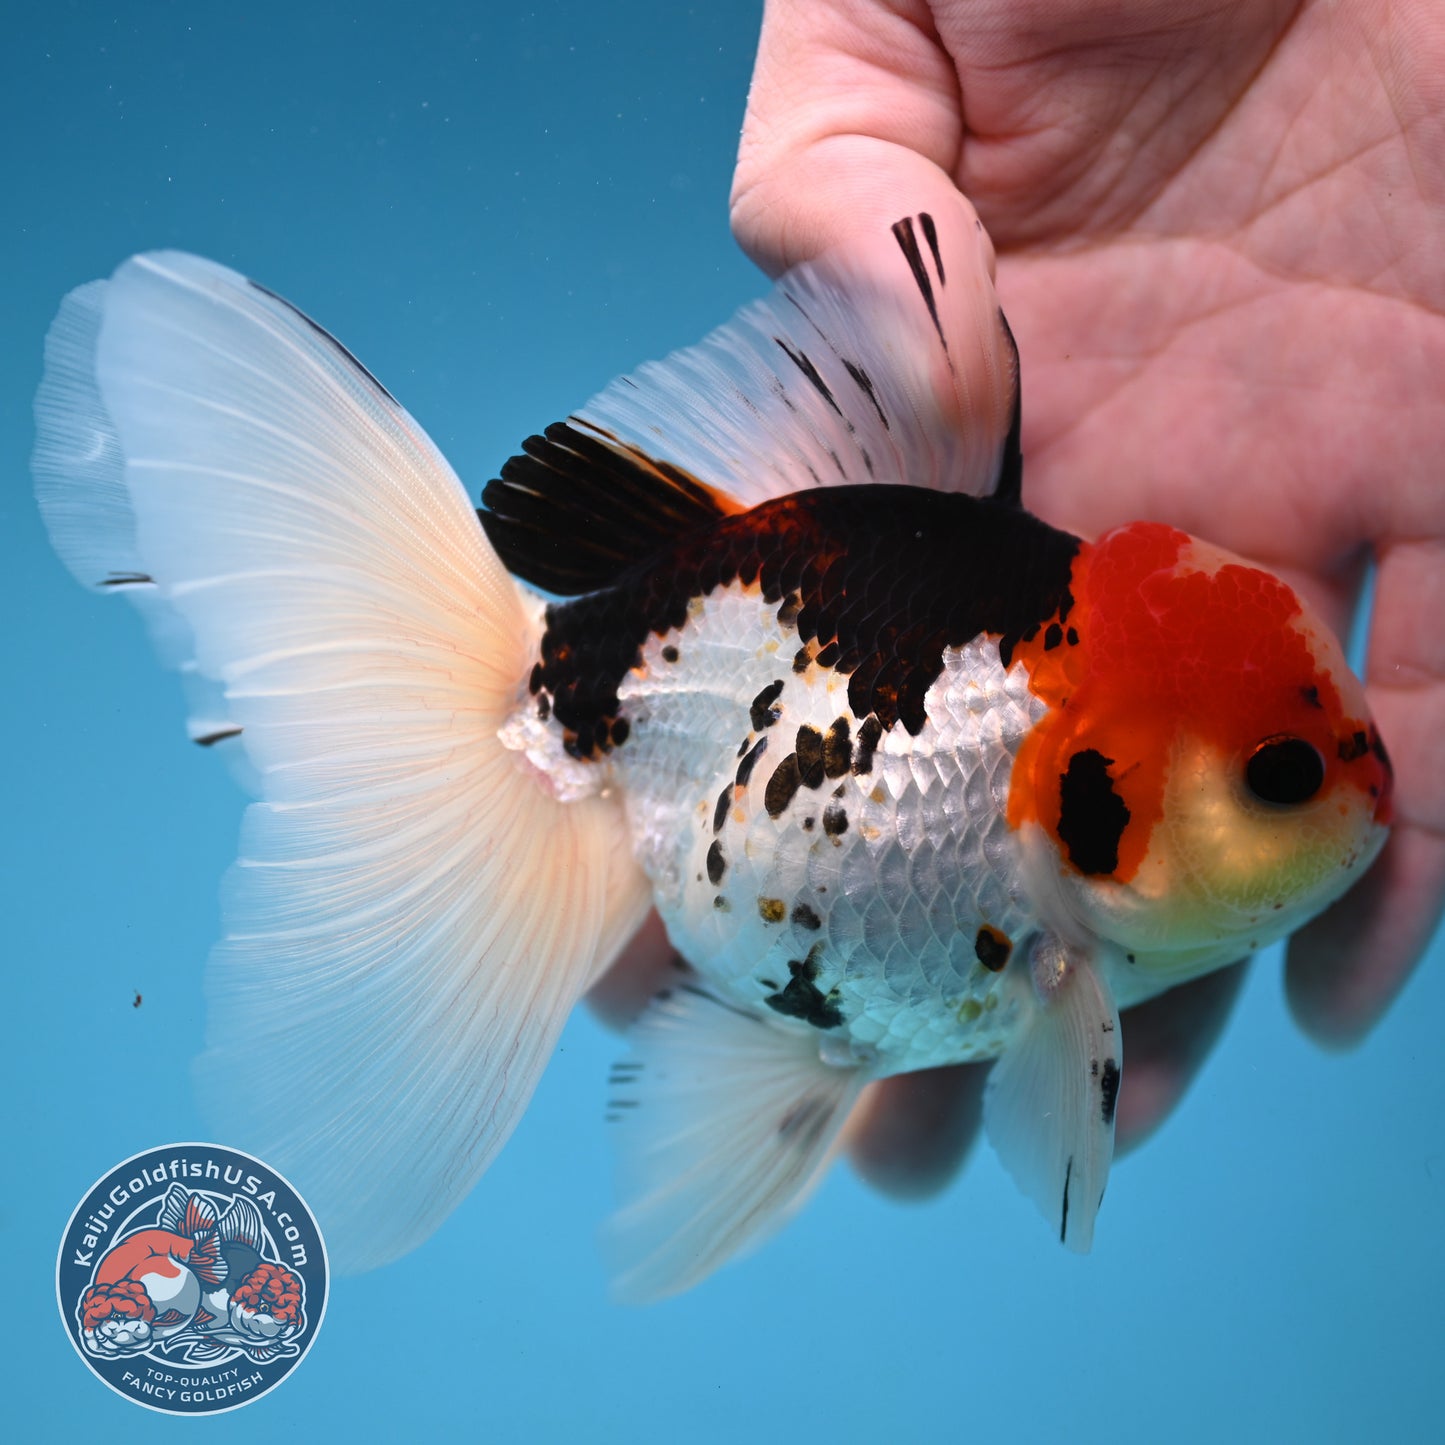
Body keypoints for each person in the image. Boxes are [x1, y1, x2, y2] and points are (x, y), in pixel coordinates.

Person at [591, 0, 1445, 1199]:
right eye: (1278, 776)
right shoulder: (1065, 935)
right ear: (1094, 794)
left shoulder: (1078, 925)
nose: (1365, 789)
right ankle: (560, 715)